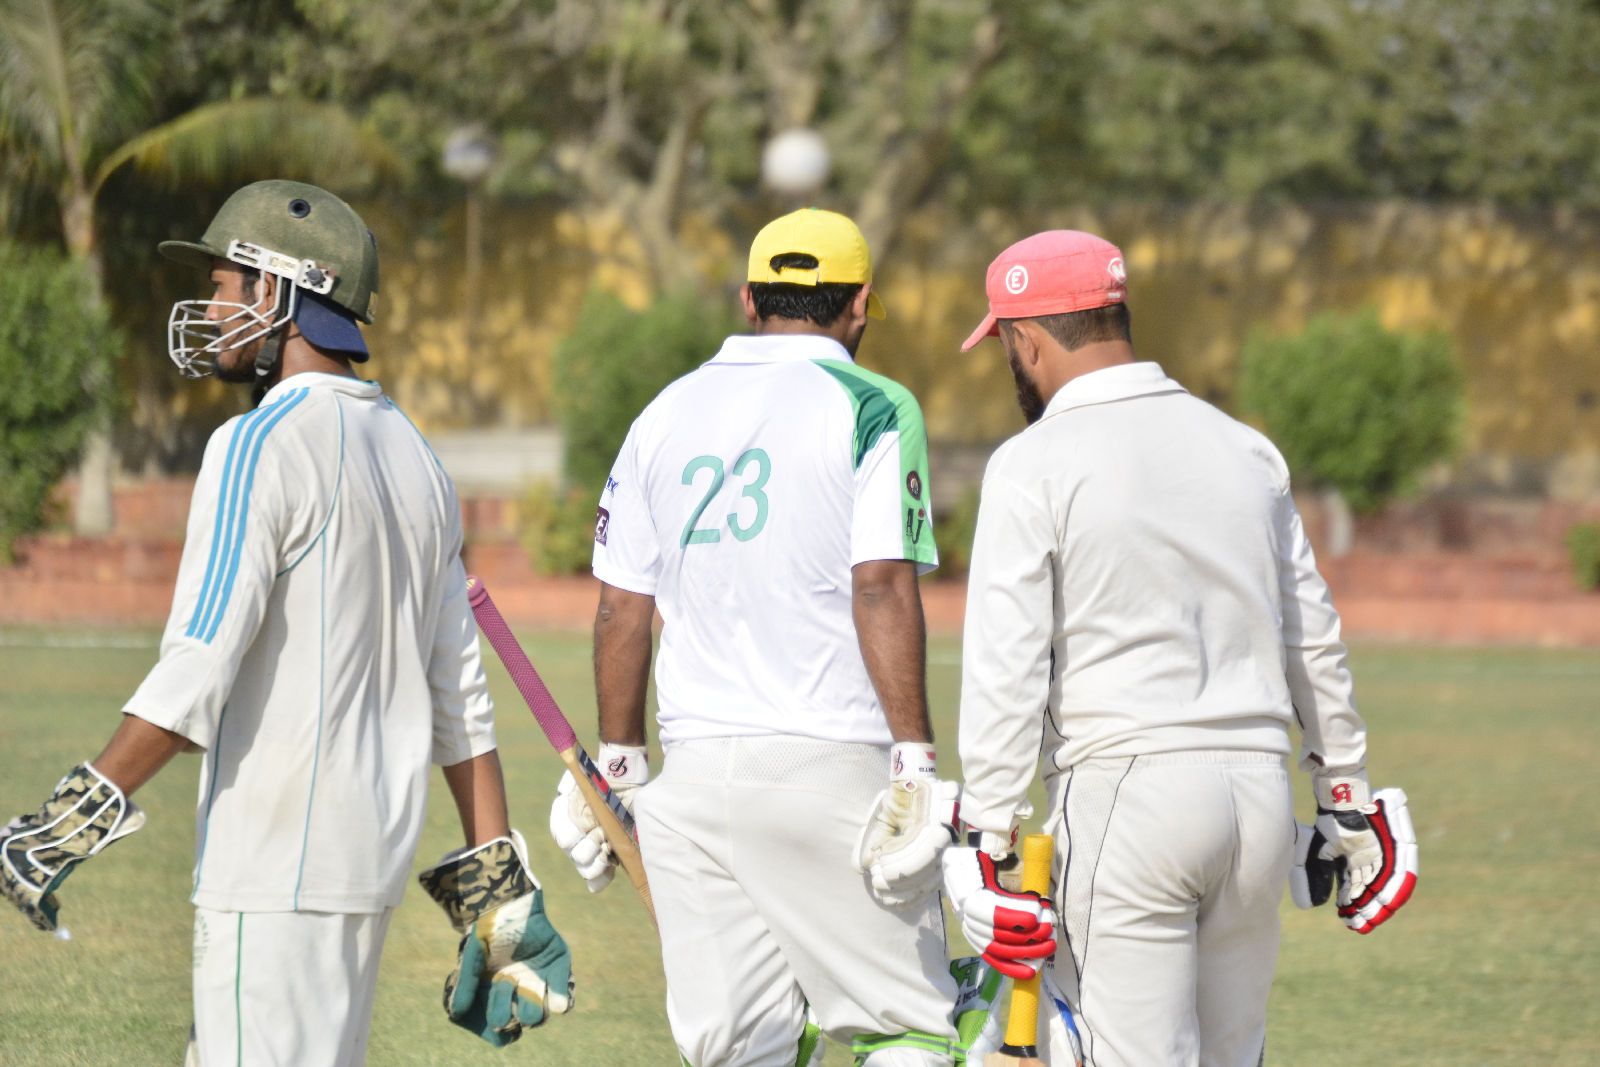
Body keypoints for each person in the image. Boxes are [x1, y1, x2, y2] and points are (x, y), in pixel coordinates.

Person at [0, 180, 573, 1065]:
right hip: (367, 871)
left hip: (270, 866)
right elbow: (462, 700)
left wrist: (69, 819)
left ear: (276, 290)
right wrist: (497, 893)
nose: (211, 309)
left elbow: (199, 667)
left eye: (224, 285)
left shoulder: (257, 444)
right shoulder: (419, 458)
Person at [945, 230, 1418, 1066]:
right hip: (1257, 800)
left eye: (1007, 348)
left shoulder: (1030, 462)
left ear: (1027, 341)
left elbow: (1005, 666)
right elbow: (1312, 636)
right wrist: (1346, 793)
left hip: (1125, 796)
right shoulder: (1244, 447)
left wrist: (986, 834)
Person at [548, 208, 962, 1067]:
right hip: (830, 759)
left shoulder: (663, 411)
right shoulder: (876, 404)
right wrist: (916, 763)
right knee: (905, 1025)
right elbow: (881, 585)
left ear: (748, 299)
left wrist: (618, 765)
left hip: (694, 778)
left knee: (737, 1045)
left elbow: (622, 607)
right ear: (859, 303)